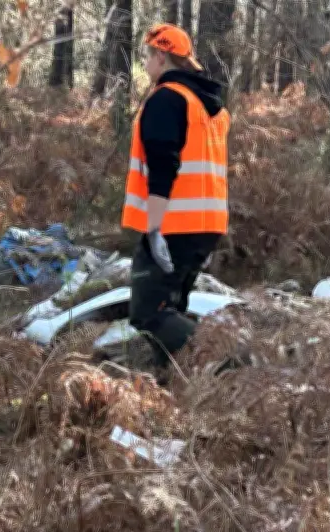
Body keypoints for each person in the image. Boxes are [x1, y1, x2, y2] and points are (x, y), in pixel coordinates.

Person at [121, 23, 230, 376]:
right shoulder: (208, 105)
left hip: (173, 224)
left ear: (161, 56)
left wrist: (153, 228)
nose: (145, 66)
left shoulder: (168, 99)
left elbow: (163, 165)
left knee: (148, 312)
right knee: (171, 308)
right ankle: (174, 387)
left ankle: (226, 365)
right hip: (205, 223)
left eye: (147, 57)